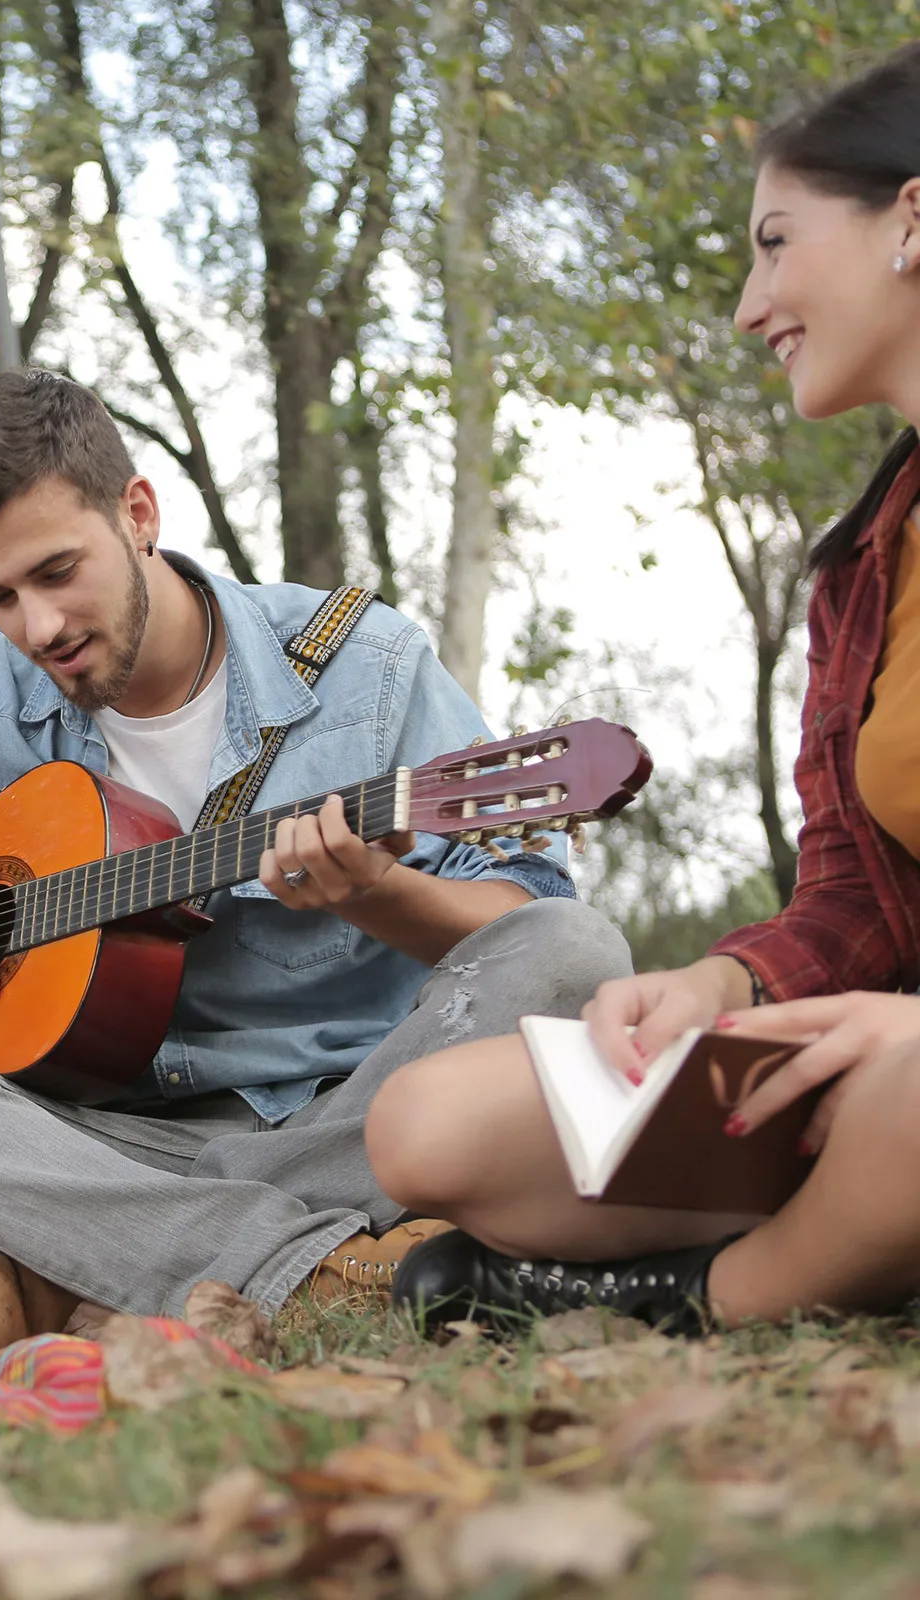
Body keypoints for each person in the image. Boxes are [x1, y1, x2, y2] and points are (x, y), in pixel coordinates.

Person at [0, 369, 631, 1354]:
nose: (36, 628)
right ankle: (309, 1266)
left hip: (365, 1111)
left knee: (574, 950)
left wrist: (378, 894)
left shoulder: (368, 666)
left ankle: (128, 1262)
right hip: (123, 1140)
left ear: (137, 513)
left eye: (57, 573)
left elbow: (522, 913)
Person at [371, 41, 920, 1334]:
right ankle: (864, 1235)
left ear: (912, 217)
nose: (748, 302)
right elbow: (854, 899)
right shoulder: (864, 566)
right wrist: (720, 991)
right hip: (880, 1053)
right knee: (430, 1126)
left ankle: (711, 1299)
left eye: (778, 242)